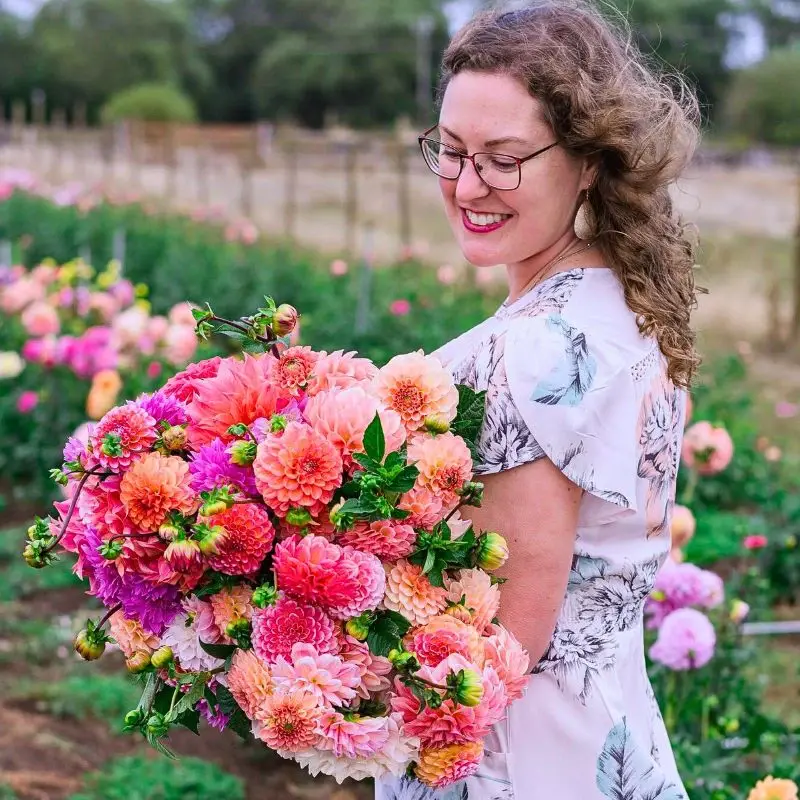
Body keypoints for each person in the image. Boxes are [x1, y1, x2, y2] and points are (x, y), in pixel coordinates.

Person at [377, 2, 700, 798]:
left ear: (588, 161)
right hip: (612, 740)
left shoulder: (522, 356)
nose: (467, 184)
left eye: (505, 158)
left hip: (506, 763)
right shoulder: (626, 308)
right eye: (449, 151)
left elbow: (497, 647)